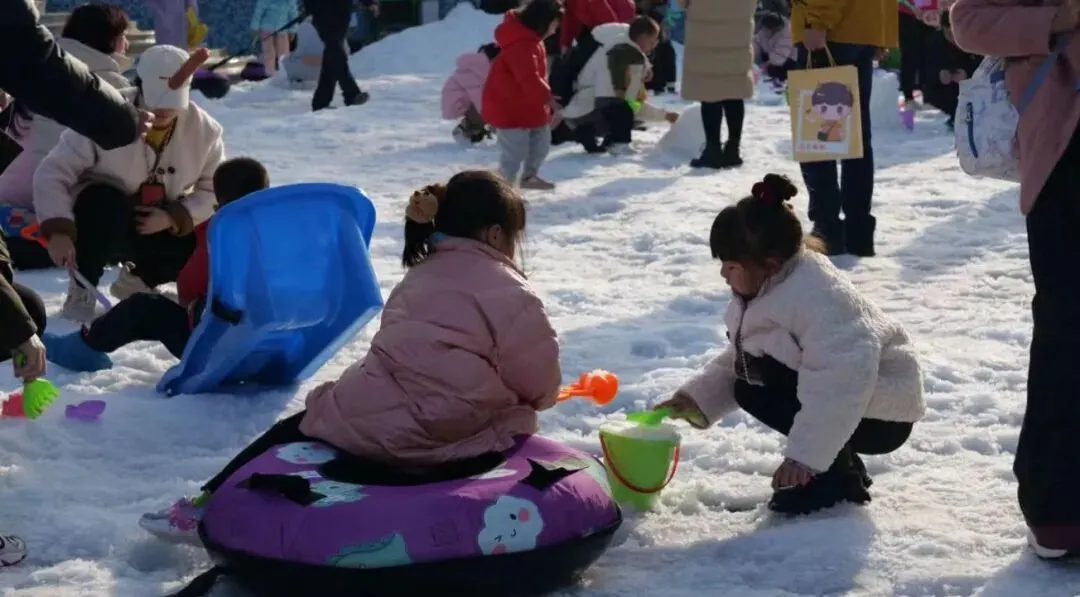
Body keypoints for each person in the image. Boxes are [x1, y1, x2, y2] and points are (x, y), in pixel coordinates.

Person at [138, 169, 561, 545]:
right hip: (453, 429)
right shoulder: (512, 291)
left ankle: (203, 503)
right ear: (494, 234)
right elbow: (538, 382)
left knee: (305, 419)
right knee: (516, 417)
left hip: (375, 417)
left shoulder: (420, 274)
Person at [656, 174, 925, 515]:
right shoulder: (769, 288)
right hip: (847, 400)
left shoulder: (820, 300)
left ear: (768, 264)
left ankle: (832, 480)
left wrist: (804, 459)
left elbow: (839, 385)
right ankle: (838, 463)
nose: (723, 275)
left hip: (883, 413)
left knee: (767, 379)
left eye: (731, 266)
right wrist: (694, 399)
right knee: (750, 384)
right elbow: (743, 357)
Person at [951, 0, 1080, 560]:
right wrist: (1055, 20)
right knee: (1066, 328)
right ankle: (1057, 508)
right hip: (1064, 153)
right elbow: (969, 21)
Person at [33, 44, 225, 323]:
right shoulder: (105, 114)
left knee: (201, 234)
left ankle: (139, 280)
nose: (162, 108)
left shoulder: (205, 130)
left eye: (172, 101)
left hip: (156, 221)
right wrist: (58, 231)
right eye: (156, 99)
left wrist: (172, 217)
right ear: (140, 85)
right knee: (100, 199)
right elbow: (53, 173)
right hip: (101, 221)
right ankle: (83, 287)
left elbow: (213, 191)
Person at [41, 157, 268, 371]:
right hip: (272, 340)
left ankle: (86, 347)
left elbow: (190, 285)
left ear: (218, 201)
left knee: (143, 307)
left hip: (219, 345)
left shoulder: (218, 234)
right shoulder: (278, 230)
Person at [0, 3, 135, 271]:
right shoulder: (112, 89)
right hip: (54, 207)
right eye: (123, 37)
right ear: (111, 40)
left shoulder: (32, 72)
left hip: (7, 199)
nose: (127, 45)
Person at [791, 0, 897, 257]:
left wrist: (818, 21)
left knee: (818, 134)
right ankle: (858, 233)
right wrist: (879, 30)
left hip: (832, 27)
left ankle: (827, 231)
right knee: (856, 135)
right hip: (861, 25)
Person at [1, 0, 151, 150]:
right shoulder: (119, 89)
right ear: (108, 39)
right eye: (123, 36)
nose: (127, 45)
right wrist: (127, 121)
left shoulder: (20, 89)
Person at [561, 17, 679, 154]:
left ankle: (591, 133)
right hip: (587, 110)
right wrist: (664, 116)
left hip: (580, 107)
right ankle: (619, 143)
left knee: (626, 107)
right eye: (653, 41)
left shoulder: (618, 43)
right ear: (643, 37)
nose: (655, 46)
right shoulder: (626, 56)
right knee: (625, 109)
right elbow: (630, 101)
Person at [482, 0, 563, 190]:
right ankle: (503, 190)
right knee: (514, 153)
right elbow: (529, 78)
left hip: (527, 105)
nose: (556, 29)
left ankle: (529, 177)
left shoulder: (532, 40)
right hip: (508, 107)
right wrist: (547, 98)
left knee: (541, 142)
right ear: (544, 21)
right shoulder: (521, 44)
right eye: (555, 24)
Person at [680, 0, 754, 170]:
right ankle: (733, 149)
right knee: (734, 87)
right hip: (737, 28)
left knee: (709, 89)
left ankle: (712, 149)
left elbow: (681, 3)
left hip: (704, 31)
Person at [550, 0, 636, 104]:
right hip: (597, 27)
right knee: (565, 64)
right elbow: (570, 18)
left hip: (615, 24)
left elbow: (610, 25)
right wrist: (565, 44)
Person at [300, 0, 372, 111]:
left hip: (342, 12)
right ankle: (351, 93)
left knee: (332, 55)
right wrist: (310, 7)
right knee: (335, 51)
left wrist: (369, 2)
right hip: (322, 12)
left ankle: (321, 101)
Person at [441, 43, 499, 144]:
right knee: (487, 109)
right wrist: (499, 125)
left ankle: (474, 130)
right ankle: (465, 130)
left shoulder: (477, 69)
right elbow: (482, 103)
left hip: (462, 102)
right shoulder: (478, 74)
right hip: (457, 104)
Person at [250, 0, 299, 76]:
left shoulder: (289, 1)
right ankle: (270, 73)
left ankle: (284, 74)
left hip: (282, 29)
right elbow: (258, 13)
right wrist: (255, 28)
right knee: (269, 52)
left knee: (283, 54)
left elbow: (293, 15)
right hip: (267, 29)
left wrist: (293, 31)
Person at [754, 10, 797, 84]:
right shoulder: (766, 26)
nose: (764, 31)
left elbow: (780, 56)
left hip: (788, 60)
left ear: (773, 29)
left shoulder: (787, 32)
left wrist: (766, 65)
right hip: (771, 54)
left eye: (766, 30)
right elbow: (757, 41)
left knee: (772, 70)